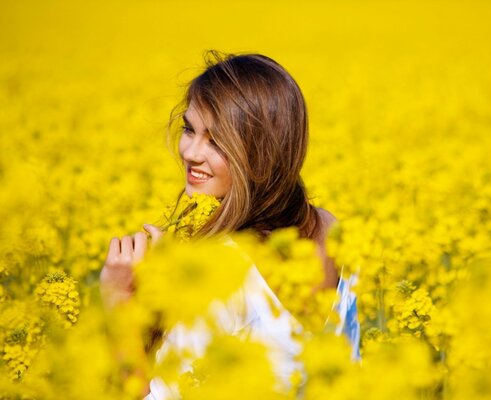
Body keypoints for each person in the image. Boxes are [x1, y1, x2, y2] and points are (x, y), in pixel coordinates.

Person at [100, 51, 360, 398]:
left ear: (261, 152)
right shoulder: (333, 231)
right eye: (189, 129)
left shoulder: (222, 272)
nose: (191, 152)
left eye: (216, 141)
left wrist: (119, 301)